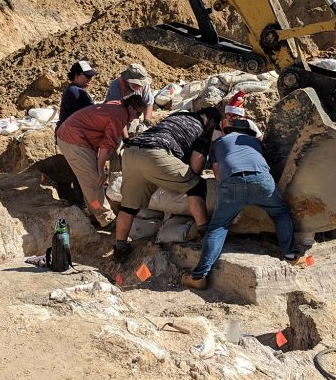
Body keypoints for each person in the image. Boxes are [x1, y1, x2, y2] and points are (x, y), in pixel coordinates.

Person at [181, 119, 300, 290]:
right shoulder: (254, 142)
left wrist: (236, 190)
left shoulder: (219, 142)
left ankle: (199, 276)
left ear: (226, 132)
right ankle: (291, 255)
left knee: (218, 227)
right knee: (280, 212)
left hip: (231, 182)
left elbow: (217, 175)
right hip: (261, 179)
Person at [111, 107, 223, 261]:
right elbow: (196, 167)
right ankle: (205, 234)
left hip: (131, 151)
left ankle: (120, 249)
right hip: (155, 154)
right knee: (196, 185)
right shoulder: (202, 130)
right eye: (213, 127)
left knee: (129, 206)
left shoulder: (179, 115)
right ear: (210, 122)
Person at [55, 94, 146, 229]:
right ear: (131, 108)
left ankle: (94, 213)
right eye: (138, 114)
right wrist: (100, 168)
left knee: (90, 182)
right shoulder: (119, 114)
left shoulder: (118, 105)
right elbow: (106, 145)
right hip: (73, 139)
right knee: (93, 180)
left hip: (73, 135)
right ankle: (106, 219)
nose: (136, 118)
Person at [57, 60, 97, 128]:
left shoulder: (72, 89)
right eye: (87, 76)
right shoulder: (75, 92)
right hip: (70, 134)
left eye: (91, 76)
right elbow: (92, 116)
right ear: (77, 76)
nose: (90, 79)